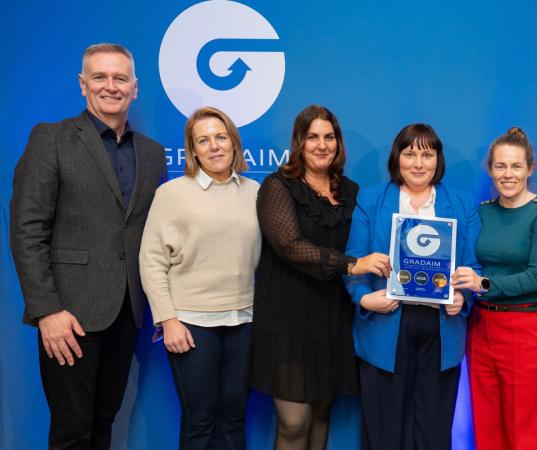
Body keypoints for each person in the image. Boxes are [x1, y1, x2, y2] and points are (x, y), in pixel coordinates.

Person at [9, 43, 166, 449]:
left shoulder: (152, 154)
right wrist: (47, 311)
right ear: (83, 84)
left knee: (103, 423)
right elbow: (27, 228)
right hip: (70, 316)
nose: (110, 86)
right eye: (99, 77)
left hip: (128, 312)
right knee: (72, 430)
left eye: (120, 78)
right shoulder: (52, 139)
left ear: (135, 88)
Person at [249, 105, 390, 450]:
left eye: (329, 137)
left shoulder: (350, 191)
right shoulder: (278, 186)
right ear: (299, 142)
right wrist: (351, 265)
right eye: (313, 136)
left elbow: (368, 240)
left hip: (333, 317)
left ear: (338, 144)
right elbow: (289, 246)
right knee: (294, 424)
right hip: (288, 319)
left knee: (322, 414)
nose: (322, 144)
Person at [345, 123, 480, 450]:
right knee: (385, 431)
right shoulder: (372, 199)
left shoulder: (461, 204)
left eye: (427, 154)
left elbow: (474, 268)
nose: (418, 163)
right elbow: (352, 261)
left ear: (438, 160)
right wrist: (364, 299)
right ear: (397, 158)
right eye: (410, 154)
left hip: (441, 329)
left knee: (433, 432)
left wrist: (462, 297)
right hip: (385, 325)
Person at [139, 106, 259, 449]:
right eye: (203, 140)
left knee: (234, 419)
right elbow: (151, 261)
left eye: (221, 137)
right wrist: (168, 320)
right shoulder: (172, 194)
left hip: (244, 322)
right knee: (199, 422)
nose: (214, 146)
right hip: (191, 325)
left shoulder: (254, 192)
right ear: (192, 150)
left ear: (234, 143)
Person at [451, 127, 537, 450]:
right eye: (501, 166)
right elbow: (469, 261)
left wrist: (483, 284)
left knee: (524, 429)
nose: (508, 174)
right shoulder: (483, 211)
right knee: (486, 424)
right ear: (490, 169)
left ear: (530, 168)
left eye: (516, 166)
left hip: (527, 329)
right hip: (482, 327)